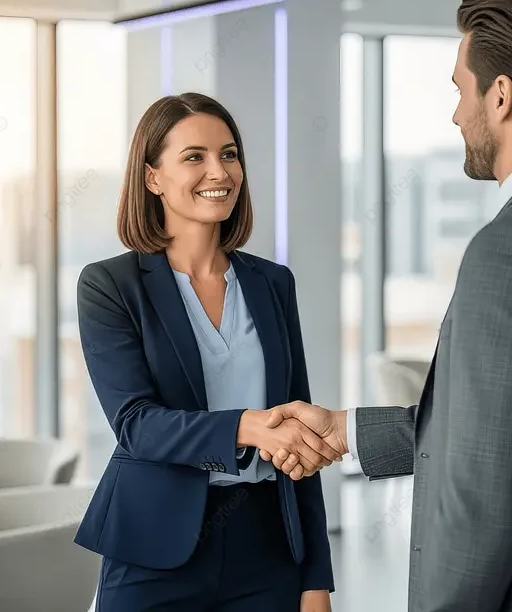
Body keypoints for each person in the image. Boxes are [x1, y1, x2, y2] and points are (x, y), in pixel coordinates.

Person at [261, 0, 512, 612]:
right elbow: (509, 426)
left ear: (501, 94)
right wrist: (345, 430)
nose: (456, 115)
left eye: (460, 91)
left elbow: (483, 488)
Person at [74, 92, 338, 611]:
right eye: (194, 156)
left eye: (230, 153)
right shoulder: (111, 284)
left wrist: (316, 578)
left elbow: (299, 427)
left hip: (266, 547)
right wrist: (249, 426)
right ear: (153, 178)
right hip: (154, 548)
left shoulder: (272, 283)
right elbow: (137, 424)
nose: (219, 170)